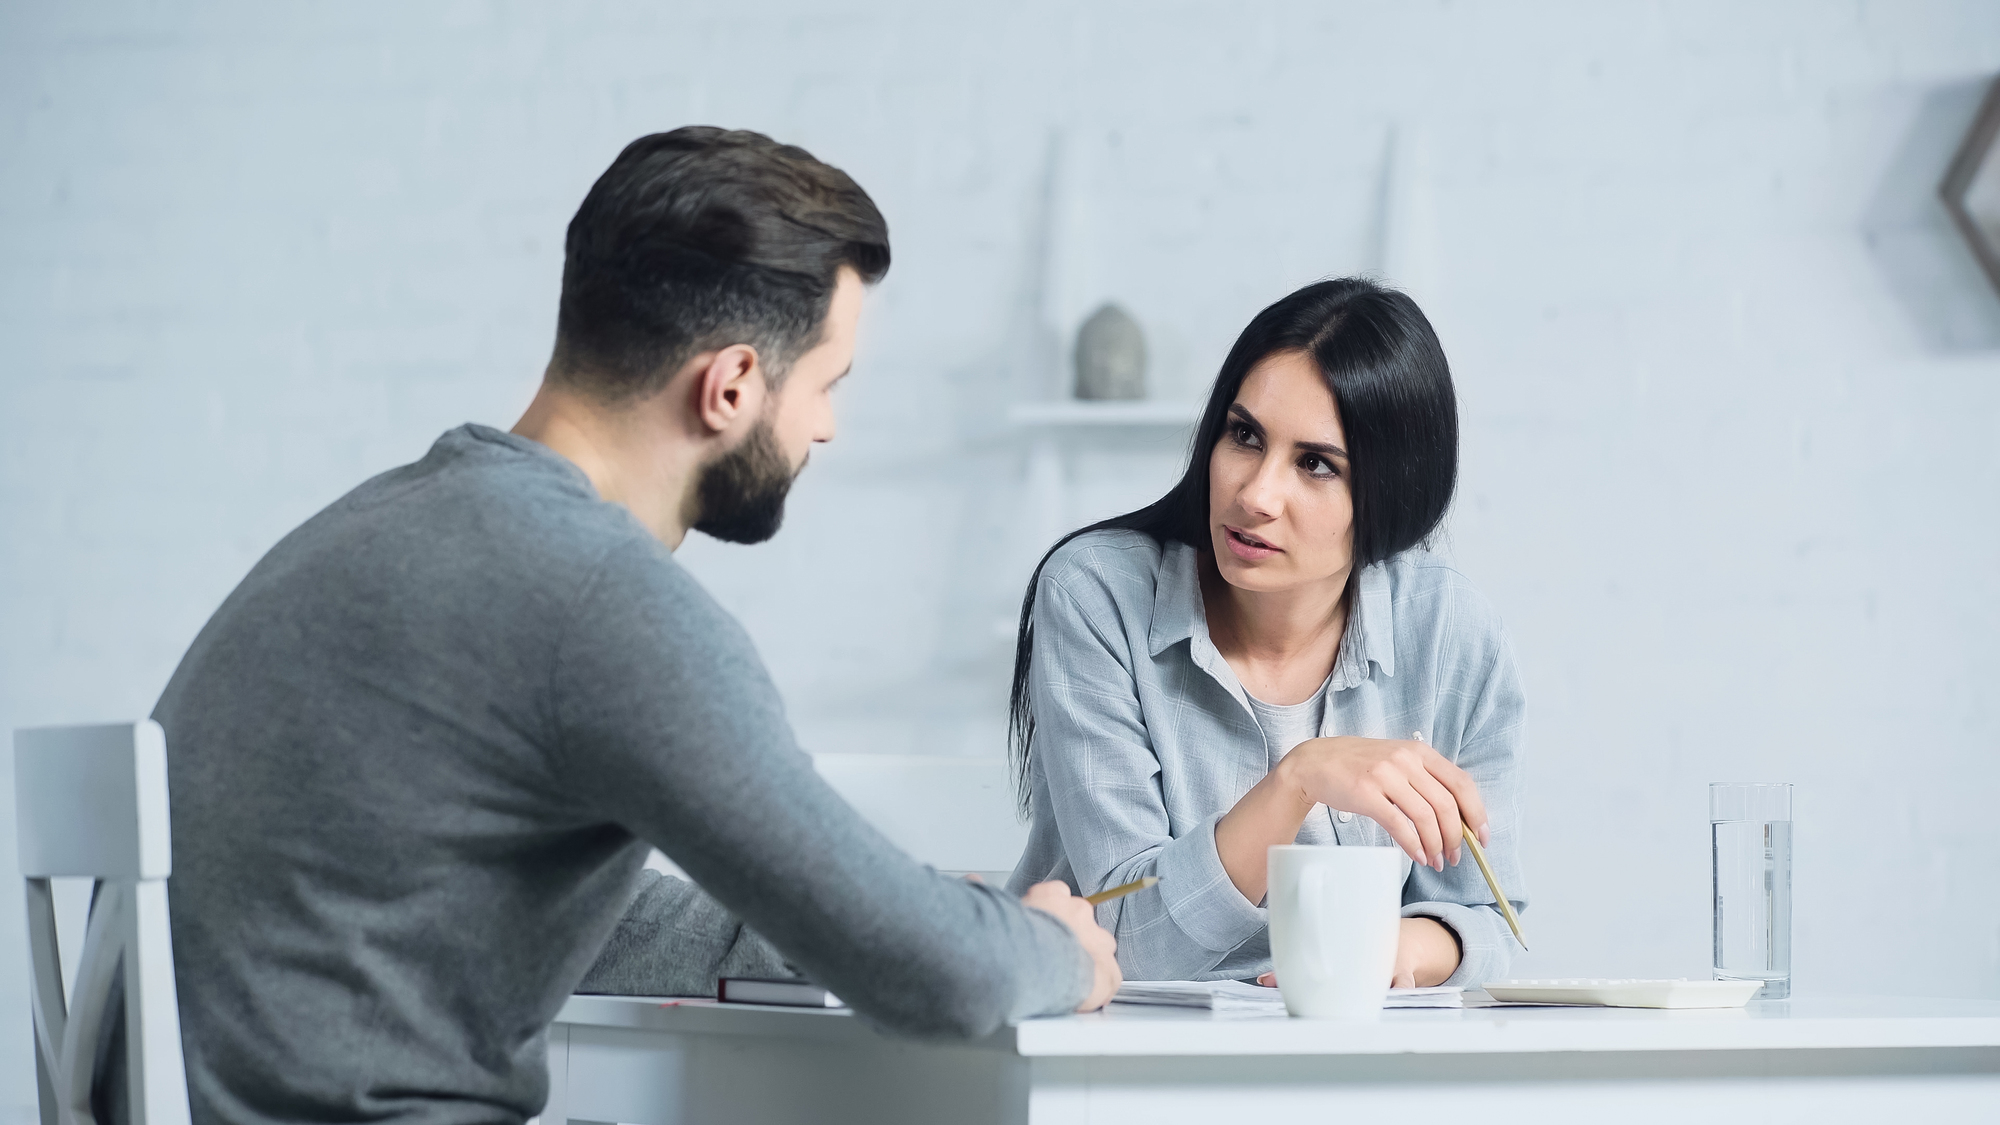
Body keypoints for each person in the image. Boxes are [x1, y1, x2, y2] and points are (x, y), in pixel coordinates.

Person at [141, 127, 1119, 1125]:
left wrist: (827, 911)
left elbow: (477, 908)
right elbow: (935, 980)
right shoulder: (596, 602)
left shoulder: (375, 530)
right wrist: (1041, 944)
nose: (826, 428)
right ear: (731, 385)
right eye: (825, 387)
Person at [1005, 277, 1525, 989]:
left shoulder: (1449, 632)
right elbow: (1124, 940)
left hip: (1345, 1059)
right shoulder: (1096, 593)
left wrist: (1395, 949)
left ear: (1394, 492)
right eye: (1244, 435)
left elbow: (1495, 923)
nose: (1254, 495)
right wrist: (1300, 777)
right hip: (1120, 1052)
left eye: (1315, 463)